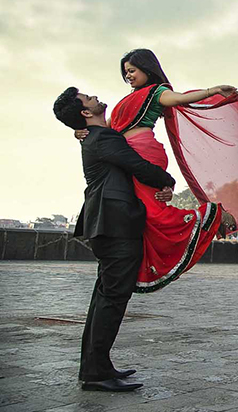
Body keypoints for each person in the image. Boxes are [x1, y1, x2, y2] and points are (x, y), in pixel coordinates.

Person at [77, 48, 238, 292]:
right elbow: (108, 129)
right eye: (126, 73)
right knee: (146, 210)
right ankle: (138, 260)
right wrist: (81, 130)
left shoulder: (157, 92)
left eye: (133, 71)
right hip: (128, 154)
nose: (129, 77)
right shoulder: (125, 101)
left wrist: (212, 91)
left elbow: (179, 99)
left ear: (147, 68)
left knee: (154, 211)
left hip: (143, 152)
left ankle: (213, 216)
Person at [54, 87, 175, 391]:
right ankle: (96, 374)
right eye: (86, 97)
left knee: (104, 298)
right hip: (116, 225)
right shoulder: (103, 138)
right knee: (112, 299)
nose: (93, 96)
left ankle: (96, 366)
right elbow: (137, 165)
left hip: (106, 225)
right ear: (85, 112)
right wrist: (168, 180)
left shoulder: (96, 136)